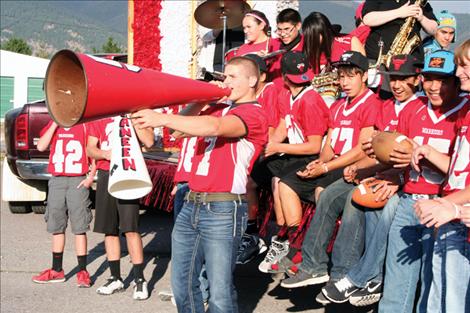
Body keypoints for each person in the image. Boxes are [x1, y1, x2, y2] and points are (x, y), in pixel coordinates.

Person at [134, 56, 268, 313]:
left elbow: (214, 127)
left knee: (219, 292)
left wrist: (161, 118)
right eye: (224, 76)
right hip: (191, 203)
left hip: (224, 207)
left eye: (232, 77)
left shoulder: (254, 113)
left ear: (252, 80)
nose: (225, 81)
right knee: (182, 284)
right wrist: (200, 99)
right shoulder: (218, 108)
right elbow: (177, 133)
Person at [319, 54, 424, 306]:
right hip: (387, 174)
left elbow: (416, 158)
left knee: (385, 208)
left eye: (403, 79)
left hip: (409, 182)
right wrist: (366, 169)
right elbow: (378, 151)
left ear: (416, 79)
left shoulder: (419, 107)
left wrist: (395, 178)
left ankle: (359, 276)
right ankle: (371, 278)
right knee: (364, 200)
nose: (397, 85)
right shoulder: (387, 106)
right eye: (393, 79)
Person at [278, 51, 379, 287]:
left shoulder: (372, 103)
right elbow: (329, 145)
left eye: (350, 76)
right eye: (341, 76)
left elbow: (362, 150)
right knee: (287, 182)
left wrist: (325, 167)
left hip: (351, 166)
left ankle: (314, 260)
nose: (344, 82)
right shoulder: (338, 105)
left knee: (323, 192)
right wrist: (318, 163)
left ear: (364, 76)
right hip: (333, 163)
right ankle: (294, 243)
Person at [378, 50, 468, 313]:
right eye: (428, 78)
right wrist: (390, 164)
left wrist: (428, 152)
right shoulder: (414, 107)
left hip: (442, 207)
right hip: (410, 201)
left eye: (442, 79)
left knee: (434, 288)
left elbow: (460, 169)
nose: (433, 86)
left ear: (455, 80)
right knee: (396, 281)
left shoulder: (464, 111)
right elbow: (398, 153)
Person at [253, 51, 329, 272]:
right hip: (291, 152)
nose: (298, 84)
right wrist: (265, 149)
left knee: (282, 182)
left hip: (309, 155)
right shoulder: (285, 95)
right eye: (294, 80)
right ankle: (255, 234)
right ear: (285, 78)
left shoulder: (311, 99)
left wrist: (278, 147)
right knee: (255, 173)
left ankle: (290, 239)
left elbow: (315, 146)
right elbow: (282, 126)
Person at [412, 39, 470, 313]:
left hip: (461, 213)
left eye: (466, 66)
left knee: (455, 299)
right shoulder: (466, 113)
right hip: (452, 209)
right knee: (439, 293)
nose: (459, 73)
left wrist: (450, 206)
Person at [87, 116, 154, 300]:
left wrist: (134, 122)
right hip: (106, 173)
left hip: (128, 173)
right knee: (109, 230)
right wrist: (105, 154)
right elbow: (90, 149)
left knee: (131, 228)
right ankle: (115, 277)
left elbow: (149, 141)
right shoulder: (100, 116)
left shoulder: (134, 114)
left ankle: (139, 279)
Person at [32, 121, 95, 288]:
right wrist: (54, 124)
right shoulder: (54, 125)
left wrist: (90, 177)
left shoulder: (84, 125)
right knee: (57, 225)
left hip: (77, 179)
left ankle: (82, 271)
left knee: (80, 226)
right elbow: (41, 146)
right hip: (57, 179)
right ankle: (57, 270)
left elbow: (93, 151)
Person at [237, 54, 277, 265]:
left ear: (259, 76)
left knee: (248, 182)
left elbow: (270, 128)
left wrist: (257, 153)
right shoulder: (250, 94)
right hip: (256, 148)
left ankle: (252, 231)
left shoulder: (269, 91)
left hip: (271, 150)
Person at [302, 11, 366, 106]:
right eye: (308, 37)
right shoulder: (305, 49)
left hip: (348, 95)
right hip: (317, 96)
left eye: (314, 36)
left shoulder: (349, 42)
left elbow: (364, 73)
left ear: (325, 32)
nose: (311, 41)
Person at [268, 8, 303, 90]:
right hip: (274, 97)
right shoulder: (272, 44)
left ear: (298, 26)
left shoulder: (308, 45)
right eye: (279, 30)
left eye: (287, 29)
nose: (283, 34)